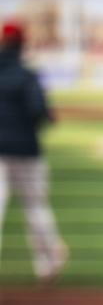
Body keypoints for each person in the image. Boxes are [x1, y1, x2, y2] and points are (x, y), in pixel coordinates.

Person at [0, 19, 67, 281]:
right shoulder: (27, 75)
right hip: (27, 152)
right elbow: (40, 111)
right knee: (36, 208)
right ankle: (47, 263)